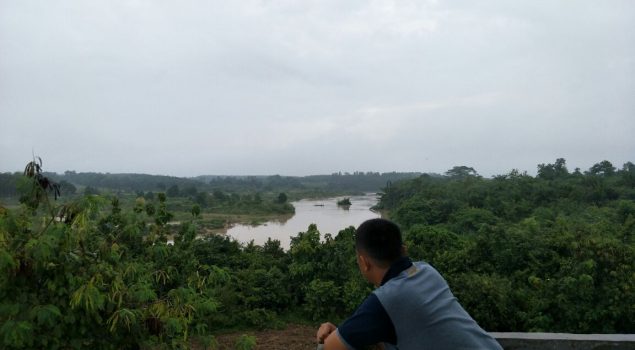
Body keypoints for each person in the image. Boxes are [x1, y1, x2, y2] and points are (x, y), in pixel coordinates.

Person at [316, 218, 503, 350]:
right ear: (404, 250)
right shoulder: (427, 271)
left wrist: (336, 334)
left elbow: (331, 347)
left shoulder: (385, 301)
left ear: (364, 263)